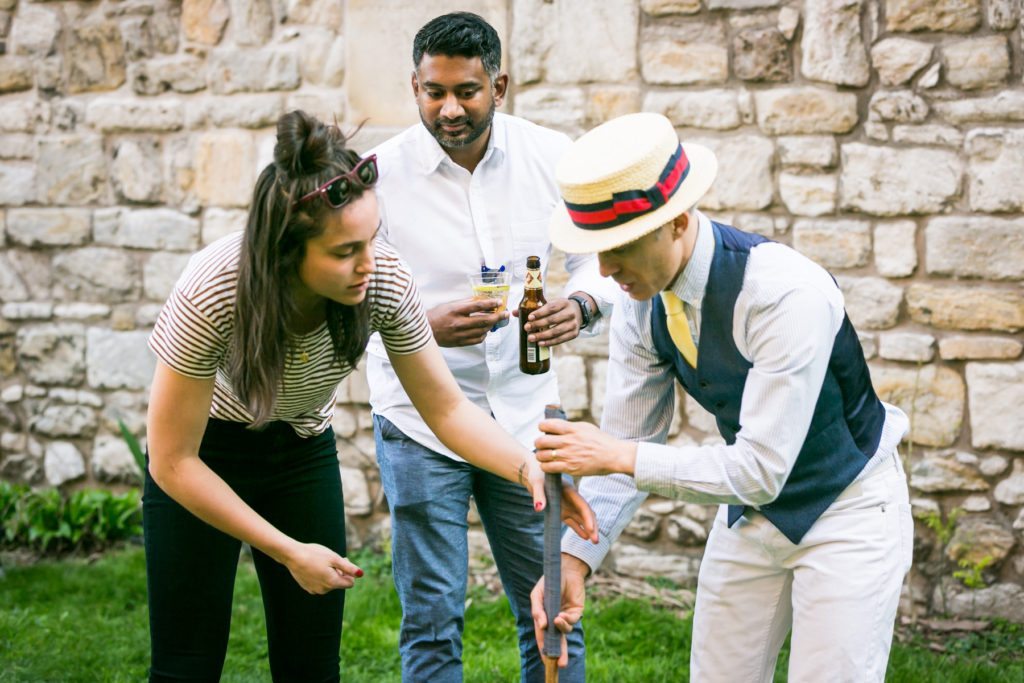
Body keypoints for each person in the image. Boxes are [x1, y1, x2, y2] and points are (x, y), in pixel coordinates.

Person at [143, 110, 596, 683]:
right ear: (288, 249)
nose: (368, 262)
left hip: (302, 448)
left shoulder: (381, 278)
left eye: (371, 239)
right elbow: (171, 460)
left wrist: (526, 466)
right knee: (186, 665)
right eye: (342, 252)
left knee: (310, 668)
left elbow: (447, 408)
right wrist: (286, 550)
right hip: (203, 455)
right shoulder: (215, 287)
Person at [529, 112, 914, 682]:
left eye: (620, 247)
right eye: (596, 250)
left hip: (850, 512)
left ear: (678, 221)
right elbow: (630, 441)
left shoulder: (784, 293)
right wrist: (573, 557)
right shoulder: (639, 301)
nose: (604, 271)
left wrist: (615, 455)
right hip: (753, 518)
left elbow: (758, 469)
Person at [366, 12, 616, 683]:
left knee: (552, 611)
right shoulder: (376, 176)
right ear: (414, 86)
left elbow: (603, 257)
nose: (449, 108)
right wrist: (420, 323)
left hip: (530, 419)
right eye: (433, 91)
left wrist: (583, 305)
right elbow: (343, 293)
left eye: (467, 92)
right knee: (432, 618)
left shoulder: (551, 156)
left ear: (499, 84)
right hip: (419, 422)